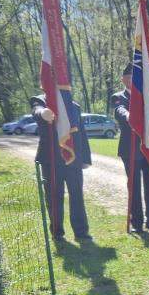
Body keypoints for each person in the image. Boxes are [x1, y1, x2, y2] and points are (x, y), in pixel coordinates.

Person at [112, 63, 149, 234]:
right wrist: (129, 115)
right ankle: (136, 222)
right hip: (130, 149)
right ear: (123, 80)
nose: (132, 80)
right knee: (134, 186)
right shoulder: (118, 96)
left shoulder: (145, 96)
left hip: (147, 146)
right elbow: (119, 110)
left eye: (134, 77)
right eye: (128, 77)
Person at [31, 93, 92, 241]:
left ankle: (81, 232)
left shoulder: (74, 105)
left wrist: (85, 158)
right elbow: (36, 110)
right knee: (54, 197)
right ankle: (57, 233)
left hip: (73, 160)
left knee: (77, 195)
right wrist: (43, 112)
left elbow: (81, 134)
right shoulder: (41, 100)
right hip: (51, 159)